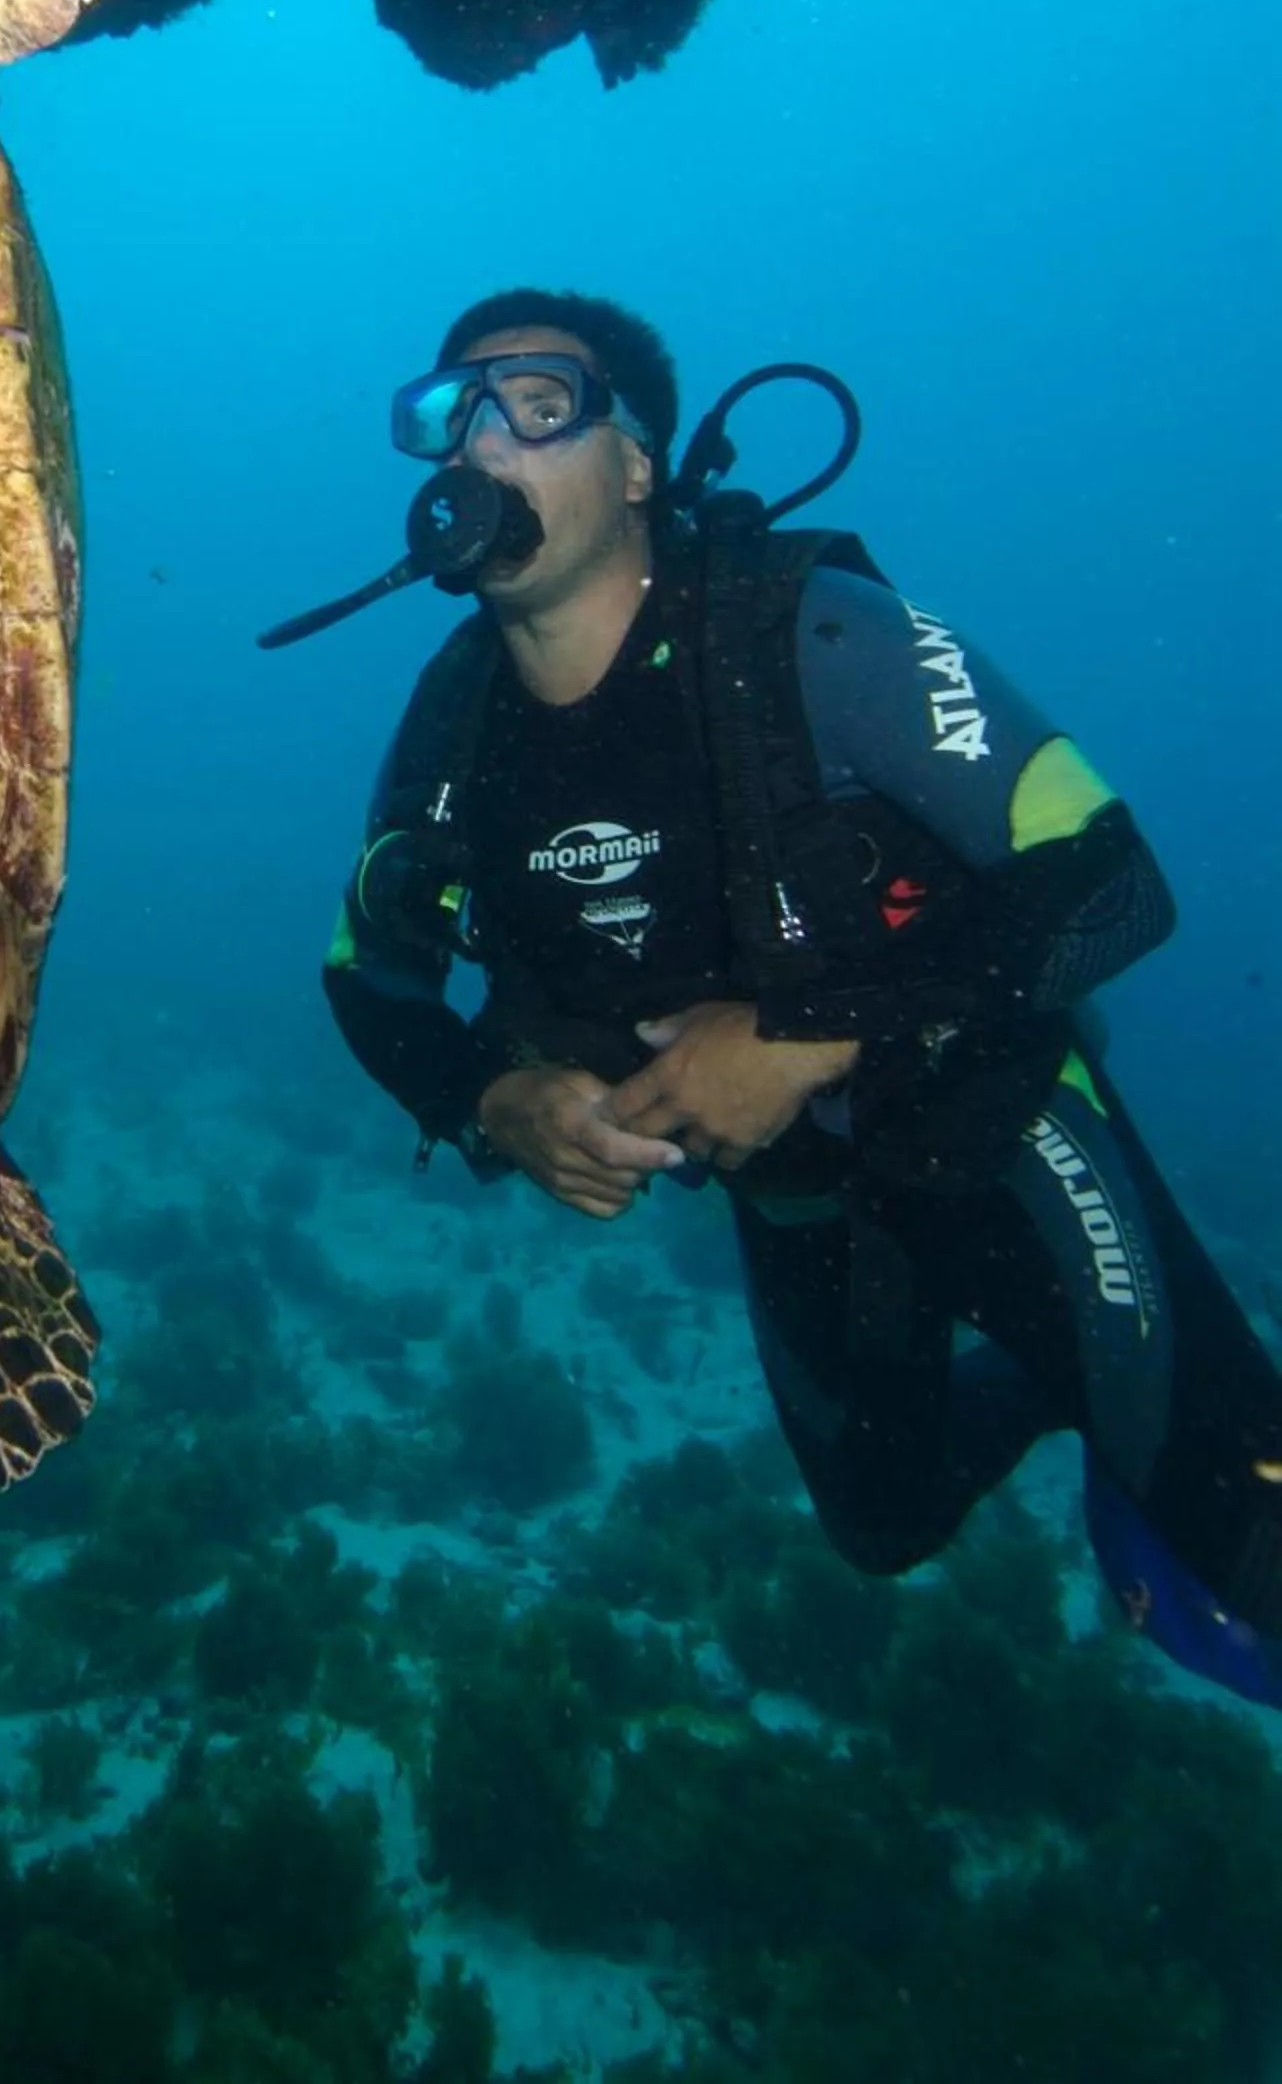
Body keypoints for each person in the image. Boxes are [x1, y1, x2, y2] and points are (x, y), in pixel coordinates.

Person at [324, 287, 1282, 1706]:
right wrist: (487, 1098)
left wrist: (799, 1036)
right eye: (447, 416)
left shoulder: (815, 633)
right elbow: (369, 975)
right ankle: (1047, 1391)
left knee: (1254, 1542)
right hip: (795, 1201)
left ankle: (1125, 1399)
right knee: (879, 1524)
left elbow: (1111, 887)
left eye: (534, 407)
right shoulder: (454, 719)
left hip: (995, 1130)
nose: (479, 444)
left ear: (636, 467)